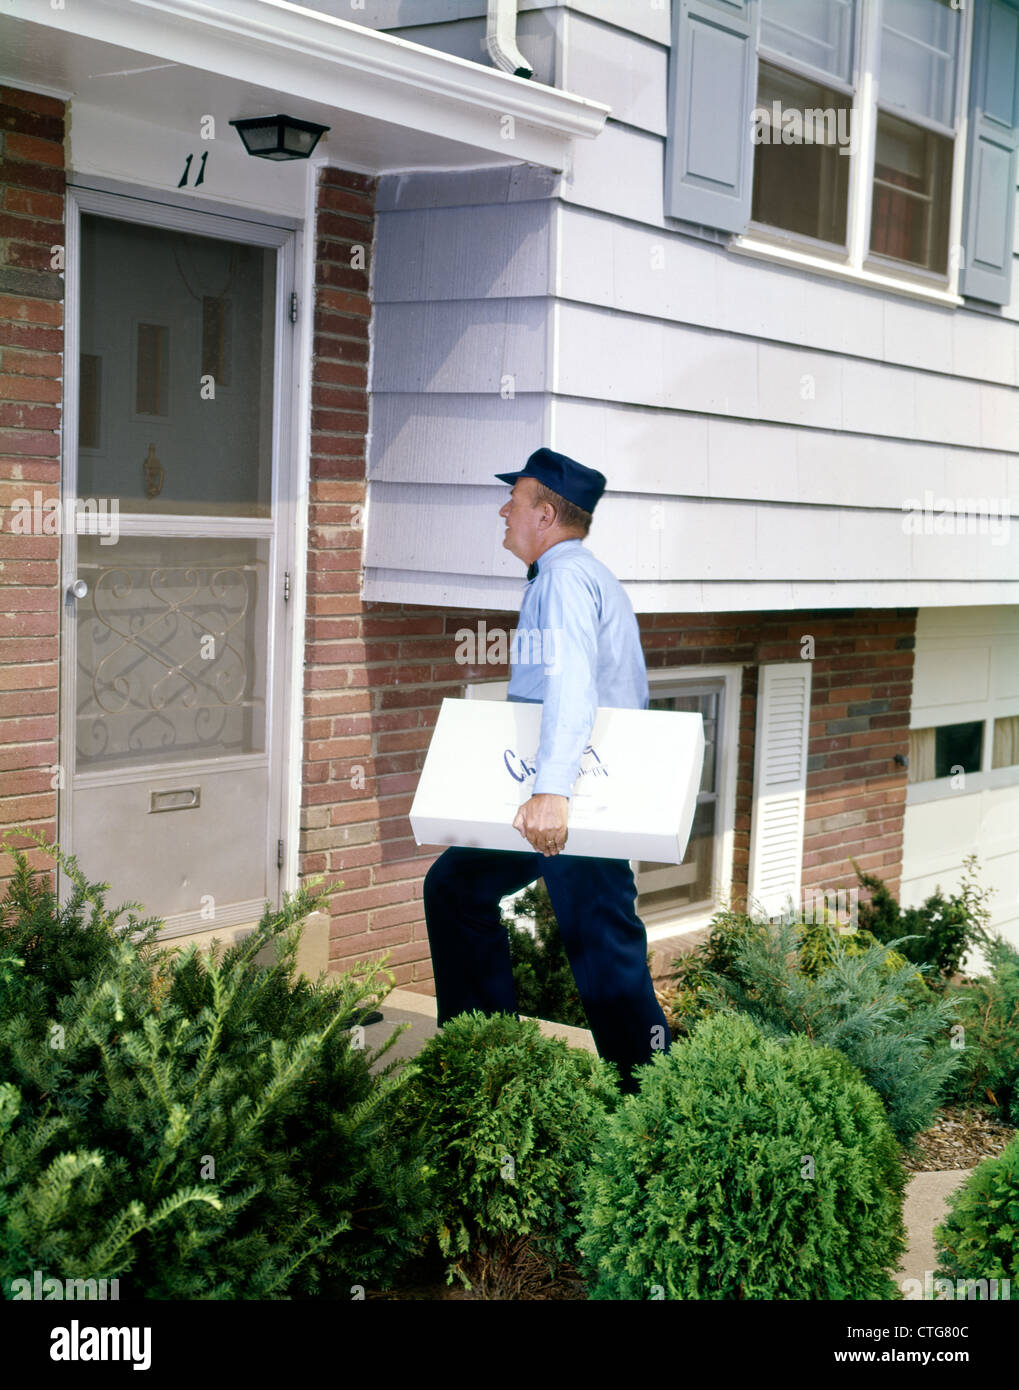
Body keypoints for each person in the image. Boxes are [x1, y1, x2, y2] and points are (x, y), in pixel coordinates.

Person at [422, 448, 672, 1094]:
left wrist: (551, 792)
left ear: (544, 513)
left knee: (605, 957)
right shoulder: (575, 576)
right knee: (458, 890)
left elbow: (570, 685)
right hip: (566, 791)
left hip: (576, 797)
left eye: (515, 500)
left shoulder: (562, 580)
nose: (503, 511)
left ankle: (657, 1105)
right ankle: (487, 1064)